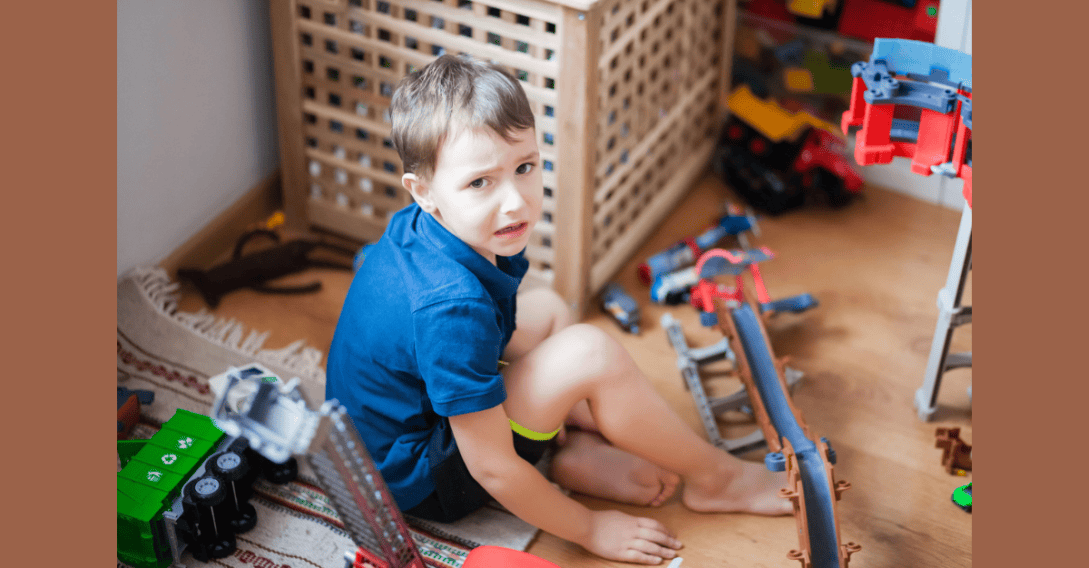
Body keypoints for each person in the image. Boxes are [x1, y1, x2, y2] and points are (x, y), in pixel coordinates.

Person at [325, 54, 791, 565]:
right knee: (588, 352)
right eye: (480, 182)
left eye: (524, 167)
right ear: (425, 192)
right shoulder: (449, 307)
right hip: (426, 482)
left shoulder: (436, 226)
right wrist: (589, 529)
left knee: (547, 308)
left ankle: (572, 445)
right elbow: (493, 469)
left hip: (419, 417)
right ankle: (717, 480)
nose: (515, 202)